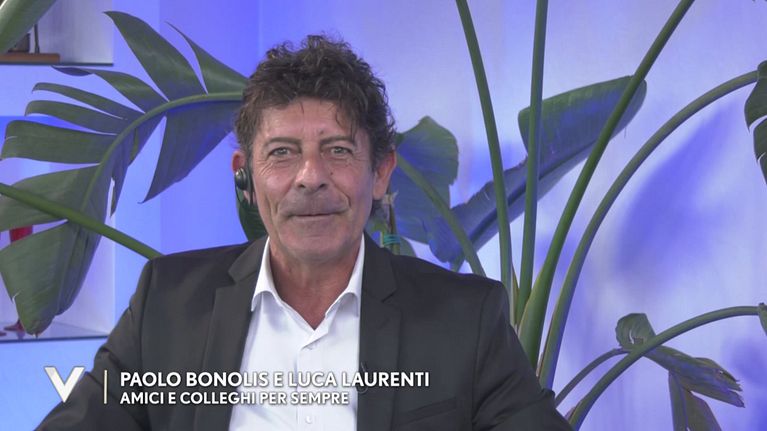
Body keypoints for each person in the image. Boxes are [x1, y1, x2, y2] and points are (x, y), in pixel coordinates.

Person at [38, 35, 571, 430]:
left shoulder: (465, 318)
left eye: (338, 150)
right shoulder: (169, 302)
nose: (310, 177)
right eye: (282, 153)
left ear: (380, 172)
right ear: (246, 178)